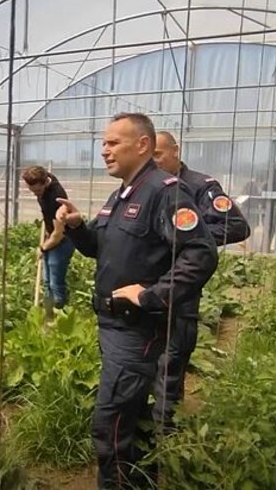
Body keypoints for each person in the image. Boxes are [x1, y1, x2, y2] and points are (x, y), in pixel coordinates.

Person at [56, 113, 218, 489]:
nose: (104, 150)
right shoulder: (122, 194)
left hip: (136, 330)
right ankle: (144, 479)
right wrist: (79, 227)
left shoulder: (165, 192)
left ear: (142, 144)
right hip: (113, 327)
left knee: (109, 423)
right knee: (131, 417)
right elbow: (101, 247)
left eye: (113, 143)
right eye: (104, 143)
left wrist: (151, 295)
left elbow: (201, 253)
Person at [152, 131, 250, 428]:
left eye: (158, 154)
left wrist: (189, 237)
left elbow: (236, 226)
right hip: (149, 287)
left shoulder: (200, 186)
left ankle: (167, 432)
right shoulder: (149, 188)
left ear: (175, 151)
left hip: (182, 286)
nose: (153, 161)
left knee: (172, 361)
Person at [22, 165, 75, 313]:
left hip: (64, 240)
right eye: (32, 191)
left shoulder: (56, 199)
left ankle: (60, 316)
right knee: (46, 281)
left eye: (38, 191)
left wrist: (43, 248)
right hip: (51, 235)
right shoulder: (45, 177)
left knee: (55, 282)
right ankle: (47, 314)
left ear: (45, 183)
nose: (36, 195)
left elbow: (59, 234)